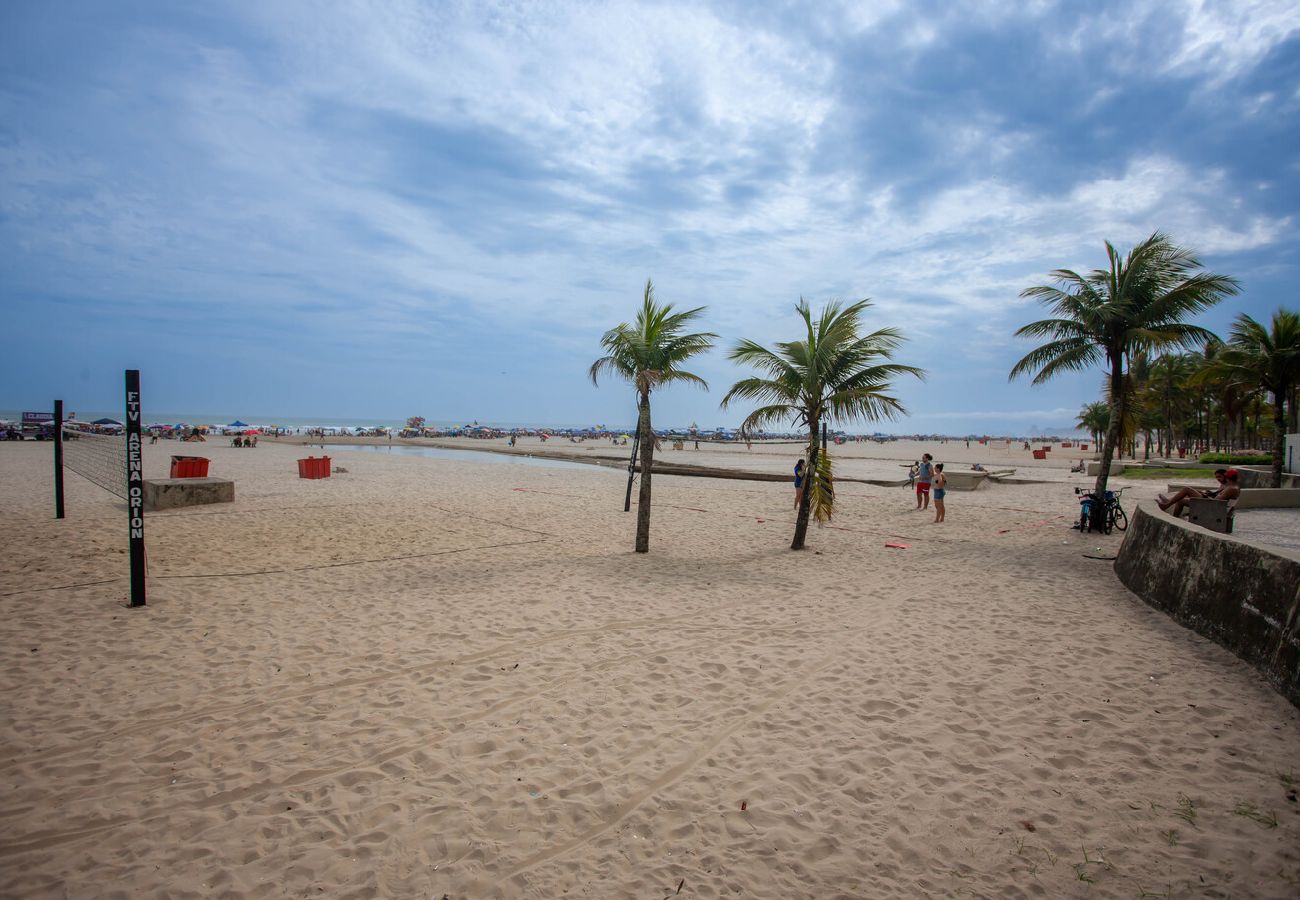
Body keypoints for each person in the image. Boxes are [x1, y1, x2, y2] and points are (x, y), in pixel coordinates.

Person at [1159, 469, 1236, 518]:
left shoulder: (1230, 488)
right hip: (1210, 503)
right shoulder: (1226, 485)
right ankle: (1174, 516)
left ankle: (1167, 504)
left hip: (1210, 506)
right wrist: (1207, 494)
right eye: (1216, 477)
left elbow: (1216, 501)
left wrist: (1206, 496)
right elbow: (1218, 496)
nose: (1218, 479)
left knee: (1187, 489)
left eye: (1220, 477)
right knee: (1181, 500)